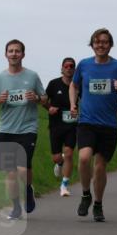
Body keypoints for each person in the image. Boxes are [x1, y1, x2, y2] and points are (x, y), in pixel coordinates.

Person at [69, 28, 117, 221]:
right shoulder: (84, 65)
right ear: (92, 45)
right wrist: (73, 104)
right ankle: (85, 194)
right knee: (83, 158)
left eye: (105, 42)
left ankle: (98, 204)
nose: (101, 45)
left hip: (108, 125)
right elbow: (74, 85)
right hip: (87, 122)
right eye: (97, 42)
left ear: (110, 45)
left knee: (99, 167)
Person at [0, 40, 47, 219]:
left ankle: (28, 190)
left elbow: (44, 99)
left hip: (27, 128)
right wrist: (0, 100)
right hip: (6, 129)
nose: (14, 54)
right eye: (10, 51)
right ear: (6, 54)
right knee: (10, 172)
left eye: (17, 51)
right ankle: (15, 207)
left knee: (22, 168)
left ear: (23, 54)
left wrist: (35, 98)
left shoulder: (32, 76)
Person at [45, 57, 78, 196]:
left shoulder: (78, 86)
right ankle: (59, 163)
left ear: (75, 69)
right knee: (57, 157)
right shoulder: (54, 84)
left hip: (73, 126)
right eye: (66, 66)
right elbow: (44, 99)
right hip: (56, 125)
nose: (69, 68)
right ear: (62, 68)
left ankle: (64, 185)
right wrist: (49, 107)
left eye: (72, 66)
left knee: (69, 153)